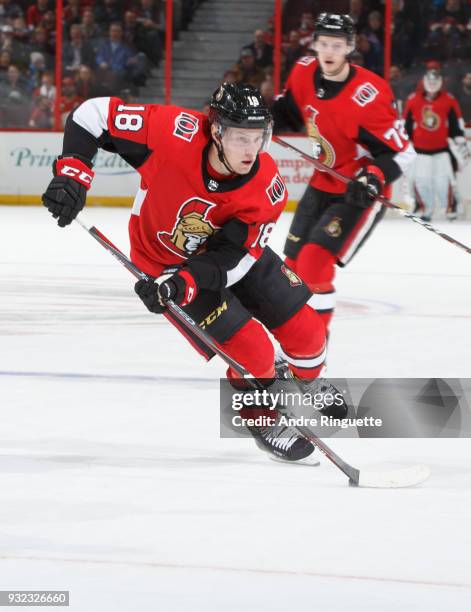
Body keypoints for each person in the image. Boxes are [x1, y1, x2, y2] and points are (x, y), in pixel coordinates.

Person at [41, 83, 342, 463]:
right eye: (240, 138)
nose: (251, 151)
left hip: (231, 257)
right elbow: (92, 114)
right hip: (164, 263)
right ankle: (260, 417)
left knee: (308, 333)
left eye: (258, 138)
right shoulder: (171, 132)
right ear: (216, 131)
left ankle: (307, 381)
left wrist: (188, 283)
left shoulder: (268, 187)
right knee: (255, 354)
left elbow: (234, 256)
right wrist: (74, 172)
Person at [272, 13, 415, 334]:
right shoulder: (304, 71)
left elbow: (403, 152)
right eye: (323, 43)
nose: (329, 52)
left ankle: (313, 352)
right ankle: (294, 347)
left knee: (313, 264)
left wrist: (374, 177)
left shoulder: (369, 94)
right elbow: (288, 110)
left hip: (358, 191)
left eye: (337, 45)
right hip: (322, 181)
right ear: (314, 44)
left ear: (350, 47)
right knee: (291, 269)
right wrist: (260, 120)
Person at [404, 68, 470, 221]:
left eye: (435, 82)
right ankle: (423, 209)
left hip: (442, 150)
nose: (432, 85)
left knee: (444, 182)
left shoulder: (449, 99)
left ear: (440, 83)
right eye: (430, 81)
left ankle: (450, 210)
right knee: (421, 181)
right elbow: (406, 125)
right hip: (420, 151)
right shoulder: (413, 99)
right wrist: (405, 143)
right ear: (424, 82)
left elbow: (455, 125)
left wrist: (459, 140)